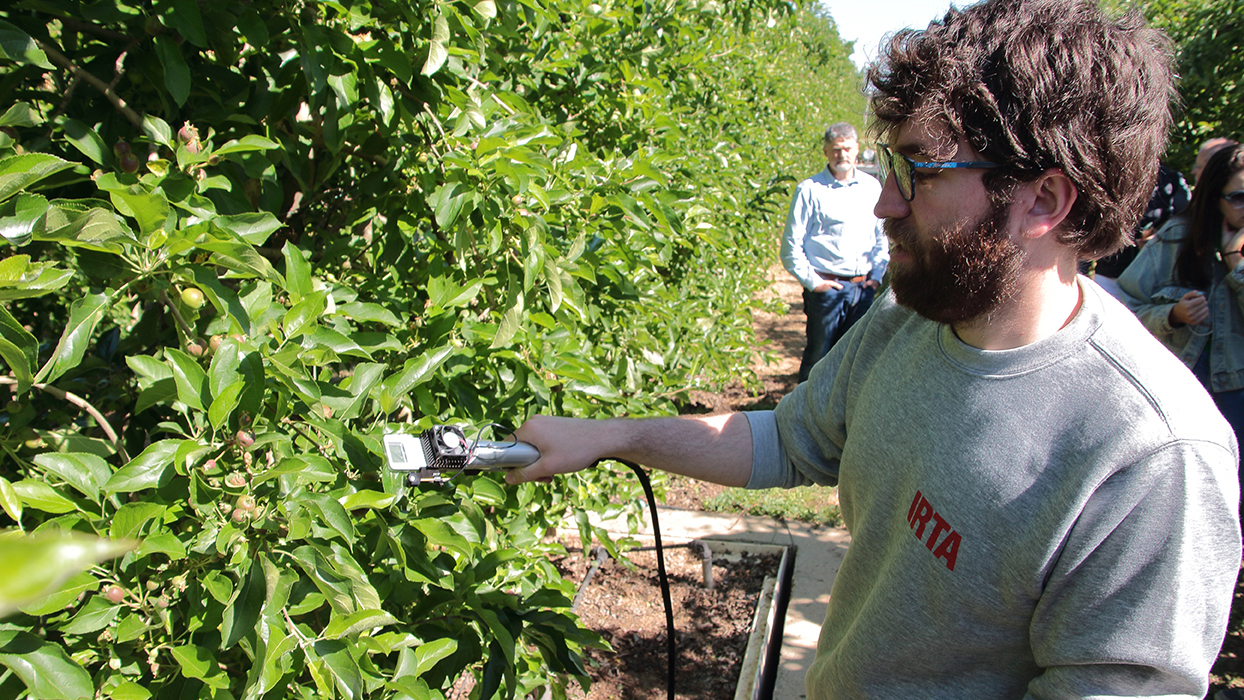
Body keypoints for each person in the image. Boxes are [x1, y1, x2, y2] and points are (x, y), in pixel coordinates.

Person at [508, 0, 1242, 697]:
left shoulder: (1151, 456)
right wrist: (615, 436)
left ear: (1045, 200)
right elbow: (788, 439)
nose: (885, 202)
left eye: (919, 171)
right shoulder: (910, 319)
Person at [1118, 144, 1244, 471]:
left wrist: (1235, 266)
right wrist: (1172, 315)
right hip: (1180, 393)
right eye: (1239, 197)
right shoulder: (1177, 238)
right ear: (1214, 197)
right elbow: (1122, 313)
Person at [780, 122, 887, 382]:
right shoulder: (810, 190)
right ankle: (802, 417)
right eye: (836, 149)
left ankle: (838, 419)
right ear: (826, 151)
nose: (843, 155)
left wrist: (877, 276)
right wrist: (815, 283)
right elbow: (790, 246)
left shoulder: (871, 188)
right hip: (826, 290)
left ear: (857, 149)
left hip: (861, 289)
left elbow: (882, 235)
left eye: (848, 149)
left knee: (853, 358)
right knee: (819, 355)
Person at [1089, 162, 1190, 300]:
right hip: (1111, 271)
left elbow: (1184, 222)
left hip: (1150, 275)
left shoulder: (1171, 180)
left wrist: (1159, 237)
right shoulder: (1109, 173)